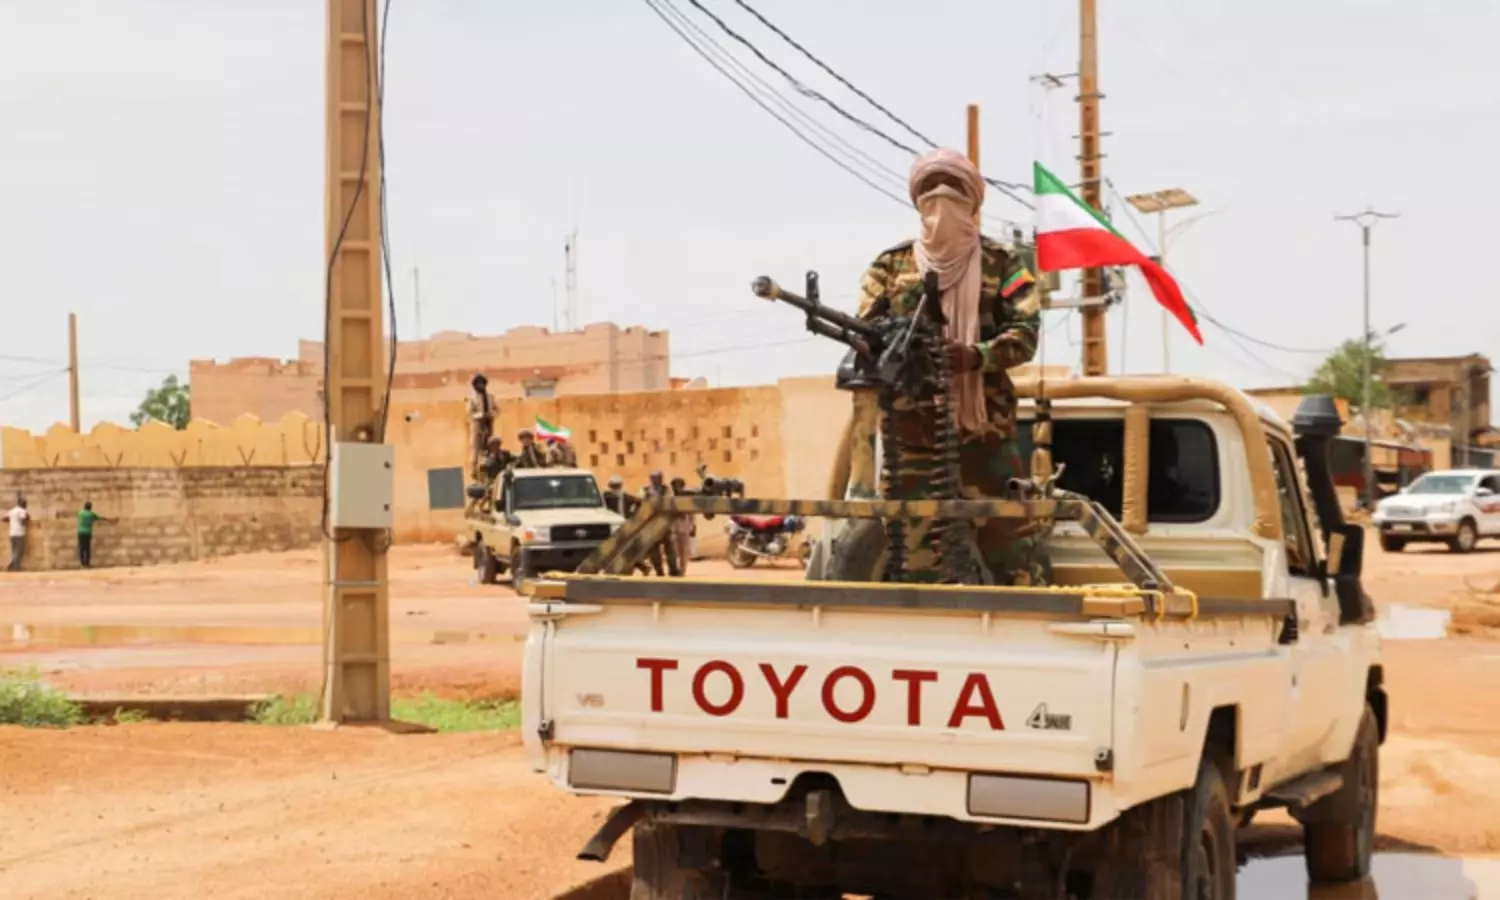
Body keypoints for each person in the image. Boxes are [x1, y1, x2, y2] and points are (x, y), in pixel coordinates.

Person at [851, 148, 1049, 586]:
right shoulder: (890, 266)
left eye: (953, 188)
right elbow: (865, 334)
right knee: (915, 556)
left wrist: (976, 356)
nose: (940, 195)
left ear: (974, 202)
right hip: (913, 435)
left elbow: (1025, 333)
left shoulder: (1003, 262)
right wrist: (898, 350)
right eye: (929, 188)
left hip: (986, 434)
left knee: (1012, 552)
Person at [601, 476, 652, 576]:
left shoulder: (607, 497)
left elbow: (640, 503)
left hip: (616, 525)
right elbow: (640, 502)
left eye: (616, 485)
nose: (615, 487)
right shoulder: (623, 496)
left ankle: (640, 567)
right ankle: (640, 567)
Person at [642, 471, 680, 577]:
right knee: (654, 551)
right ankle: (659, 570)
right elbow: (641, 505)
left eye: (658, 478)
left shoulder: (667, 490)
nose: (657, 480)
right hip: (651, 525)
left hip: (665, 524)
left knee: (669, 549)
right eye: (654, 478)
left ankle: (673, 570)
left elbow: (671, 503)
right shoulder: (645, 491)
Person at [465, 374, 498, 478]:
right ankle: (474, 471)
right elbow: (469, 414)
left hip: (489, 424)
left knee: (490, 446)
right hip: (477, 426)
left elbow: (497, 409)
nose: (480, 386)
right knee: (476, 449)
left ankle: (490, 470)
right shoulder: (472, 399)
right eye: (478, 384)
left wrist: (491, 414)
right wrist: (481, 415)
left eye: (482, 383)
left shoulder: (490, 397)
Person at [667, 476, 696, 577]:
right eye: (675, 486)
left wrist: (692, 525)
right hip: (673, 527)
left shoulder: (687, 498)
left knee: (684, 552)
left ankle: (682, 571)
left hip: (684, 527)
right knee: (674, 551)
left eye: (679, 486)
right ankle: (674, 570)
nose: (677, 488)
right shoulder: (670, 498)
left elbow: (691, 513)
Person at [76, 501, 111, 569]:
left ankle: (82, 564)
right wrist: (109, 519)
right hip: (87, 533)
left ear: (84, 507)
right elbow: (100, 518)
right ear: (90, 508)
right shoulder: (91, 514)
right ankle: (87, 564)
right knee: (87, 548)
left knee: (81, 549)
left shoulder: (80, 513)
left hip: (80, 533)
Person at [6, 496, 28, 572]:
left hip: (12, 533)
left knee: (14, 550)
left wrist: (13, 521)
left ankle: (16, 566)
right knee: (20, 550)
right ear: (22, 504)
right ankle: (12, 564)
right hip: (19, 533)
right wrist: (27, 519)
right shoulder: (22, 511)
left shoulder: (12, 510)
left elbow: (4, 518)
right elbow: (23, 521)